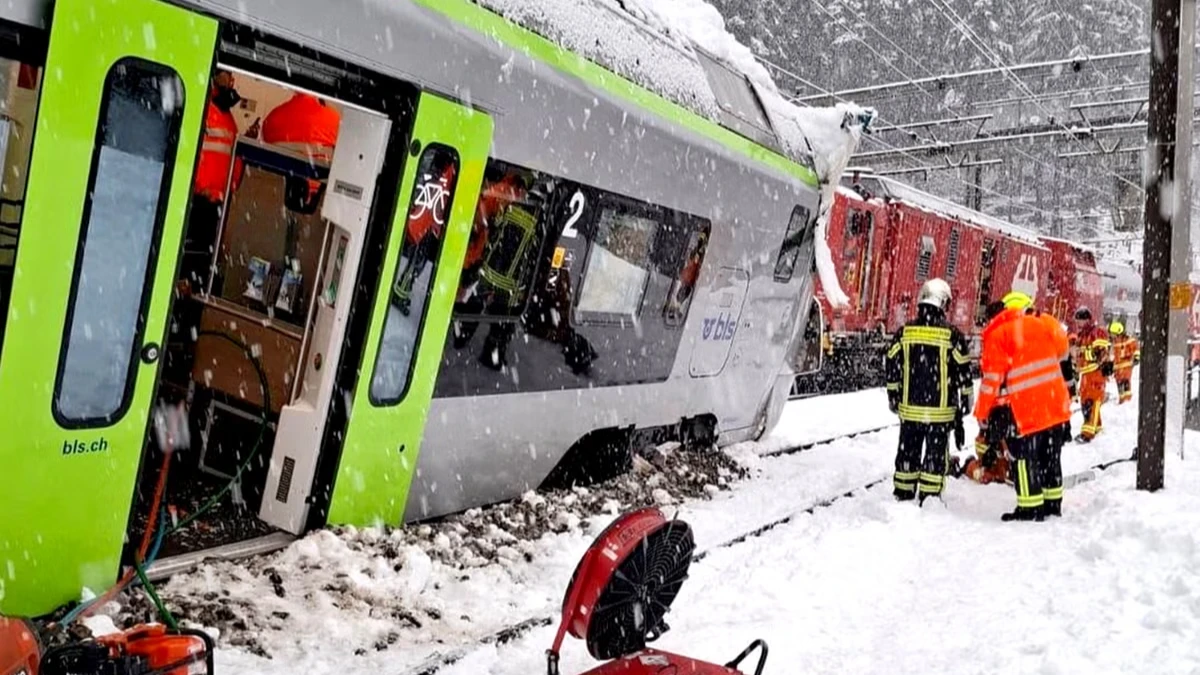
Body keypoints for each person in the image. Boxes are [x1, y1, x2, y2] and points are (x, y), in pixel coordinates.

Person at [975, 291, 1072, 521]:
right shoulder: (1045, 324)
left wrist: (982, 413)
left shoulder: (1000, 334)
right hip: (1055, 405)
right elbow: (1063, 352)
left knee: (1024, 459)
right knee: (1051, 457)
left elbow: (991, 381)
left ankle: (1029, 508)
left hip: (1026, 411)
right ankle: (1052, 504)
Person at [884, 278, 973, 505]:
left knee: (908, 452)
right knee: (935, 456)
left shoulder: (904, 333)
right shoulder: (952, 336)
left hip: (910, 410)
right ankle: (929, 497)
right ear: (944, 304)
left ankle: (903, 491)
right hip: (940, 413)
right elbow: (964, 372)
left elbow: (892, 366)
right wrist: (965, 402)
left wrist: (893, 396)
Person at [1073, 307, 1112, 442]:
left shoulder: (1096, 332)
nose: (1078, 323)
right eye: (1077, 321)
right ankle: (1097, 428)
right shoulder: (1082, 335)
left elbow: (1102, 351)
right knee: (1085, 403)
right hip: (1086, 373)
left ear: (1087, 320)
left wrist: (1100, 361)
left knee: (1092, 402)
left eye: (1081, 321)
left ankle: (1087, 433)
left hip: (1096, 372)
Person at [1110, 321, 1139, 404]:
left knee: (1125, 382)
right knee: (1119, 384)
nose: (1113, 336)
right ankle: (1121, 400)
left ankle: (1127, 400)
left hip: (1126, 366)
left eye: (1114, 334)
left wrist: (1136, 357)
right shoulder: (1115, 343)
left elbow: (1135, 349)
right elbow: (1115, 356)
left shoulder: (1128, 340)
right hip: (1118, 368)